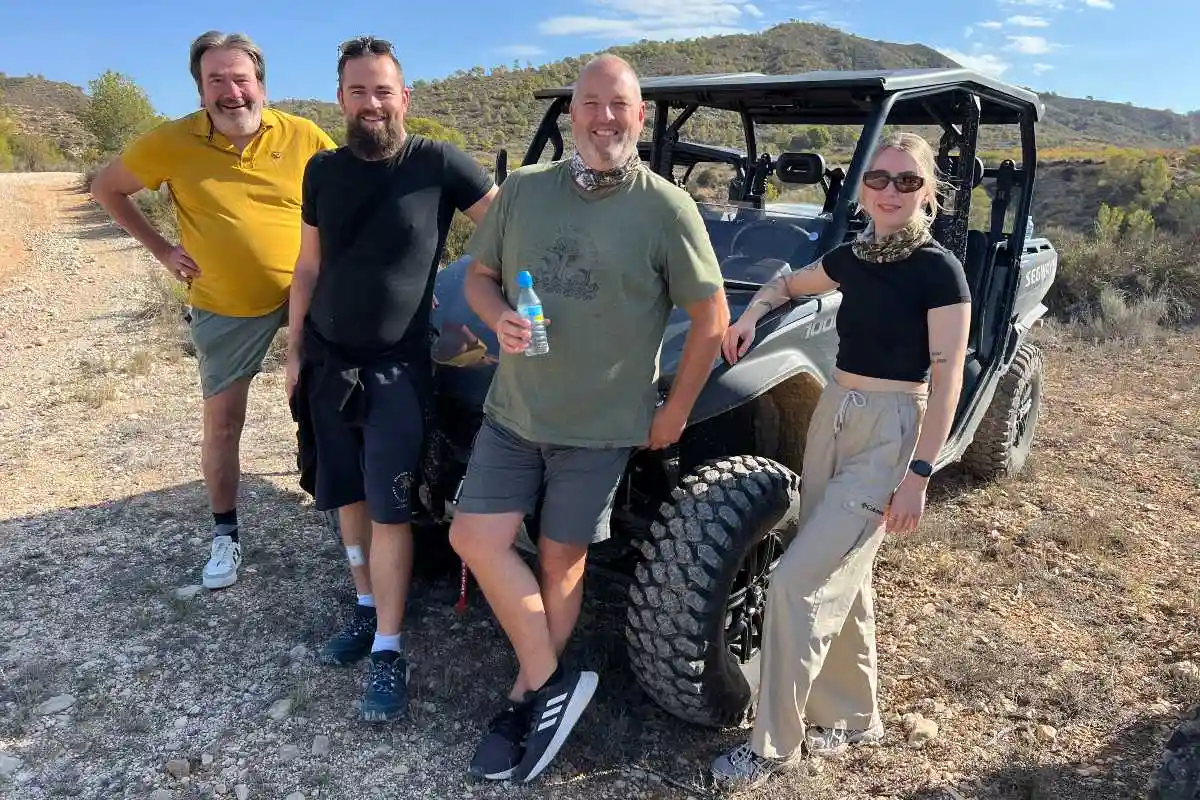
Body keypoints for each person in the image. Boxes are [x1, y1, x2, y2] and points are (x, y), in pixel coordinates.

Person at [447, 53, 730, 783]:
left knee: (560, 561)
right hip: (516, 411)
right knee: (474, 537)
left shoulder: (667, 208)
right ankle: (554, 684)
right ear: (573, 113)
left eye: (621, 106)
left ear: (640, 117)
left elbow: (711, 319)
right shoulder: (526, 191)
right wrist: (501, 316)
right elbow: (479, 279)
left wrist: (676, 409)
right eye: (592, 103)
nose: (606, 117)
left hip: (601, 426)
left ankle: (523, 698)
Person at [708, 131, 972, 789]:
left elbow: (947, 381)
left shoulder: (940, 271)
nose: (889, 191)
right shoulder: (854, 256)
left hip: (891, 430)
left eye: (907, 181)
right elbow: (788, 283)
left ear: (928, 193)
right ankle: (856, 719)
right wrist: (751, 315)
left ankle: (774, 745)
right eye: (878, 179)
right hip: (834, 416)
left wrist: (919, 472)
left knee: (796, 580)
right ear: (862, 188)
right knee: (844, 569)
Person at [286, 35, 496, 723]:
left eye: (383, 91)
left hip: (398, 370)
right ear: (340, 99)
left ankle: (388, 649)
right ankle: (366, 607)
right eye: (358, 91)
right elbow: (309, 267)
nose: (371, 104)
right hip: (326, 362)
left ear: (405, 98)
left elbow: (507, 225)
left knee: (390, 508)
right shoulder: (322, 171)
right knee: (344, 494)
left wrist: (496, 300)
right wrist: (294, 350)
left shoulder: (435, 163)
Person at [90, 31, 337, 590]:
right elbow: (108, 188)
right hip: (227, 304)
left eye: (240, 78)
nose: (231, 92)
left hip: (311, 291)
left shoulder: (304, 136)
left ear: (262, 85)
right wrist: (162, 250)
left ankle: (341, 506)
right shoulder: (172, 142)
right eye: (216, 80)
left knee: (336, 402)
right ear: (200, 90)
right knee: (224, 424)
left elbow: (347, 198)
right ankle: (225, 534)